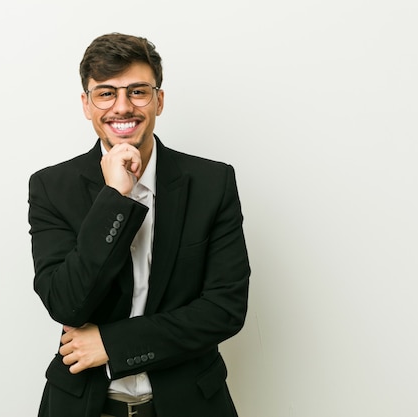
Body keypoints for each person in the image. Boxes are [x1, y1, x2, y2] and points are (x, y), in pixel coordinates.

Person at [28, 32, 251, 417]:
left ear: (159, 100)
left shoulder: (212, 183)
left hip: (190, 403)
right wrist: (114, 199)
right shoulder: (51, 187)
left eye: (137, 92)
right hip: (85, 405)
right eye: (106, 93)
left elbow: (224, 308)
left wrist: (113, 345)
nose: (122, 107)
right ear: (86, 104)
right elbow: (66, 302)